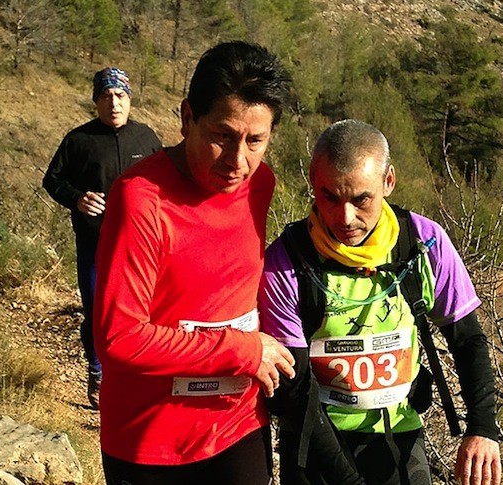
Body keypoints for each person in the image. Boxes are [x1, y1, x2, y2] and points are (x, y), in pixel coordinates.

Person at [91, 41, 303, 485]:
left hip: (238, 422)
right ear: (188, 118)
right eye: (222, 136)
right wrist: (242, 350)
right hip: (152, 439)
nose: (237, 161)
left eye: (255, 141)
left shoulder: (260, 183)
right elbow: (120, 337)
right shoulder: (140, 200)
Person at [258, 119, 502, 485]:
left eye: (361, 199)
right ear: (312, 179)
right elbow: (297, 390)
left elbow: (467, 339)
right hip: (316, 442)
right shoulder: (286, 262)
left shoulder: (424, 242)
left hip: (399, 435)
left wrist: (482, 428)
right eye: (329, 196)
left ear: (388, 181)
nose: (345, 218)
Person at [43, 67, 161, 410]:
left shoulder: (146, 138)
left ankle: (137, 376)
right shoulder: (78, 141)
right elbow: (52, 181)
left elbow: (163, 181)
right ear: (96, 101)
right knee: (97, 310)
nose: (114, 103)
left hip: (141, 246)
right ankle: (97, 374)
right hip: (95, 244)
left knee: (144, 311)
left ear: (130, 100)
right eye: (106, 96)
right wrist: (77, 198)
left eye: (120, 96)